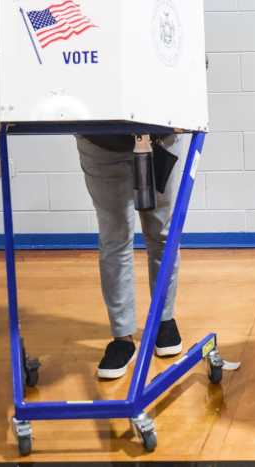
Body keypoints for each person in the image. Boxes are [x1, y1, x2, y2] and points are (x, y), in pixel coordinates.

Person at [77, 133, 183, 379]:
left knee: (162, 233)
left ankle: (164, 319)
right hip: (101, 140)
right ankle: (122, 337)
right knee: (114, 238)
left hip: (159, 135)